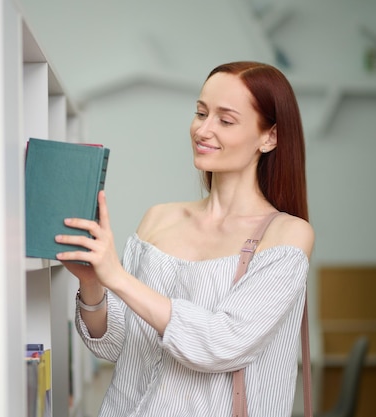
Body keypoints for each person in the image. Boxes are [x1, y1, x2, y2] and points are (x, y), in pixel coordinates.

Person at [54, 61, 315, 417]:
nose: (203, 130)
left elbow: (221, 343)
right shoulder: (159, 218)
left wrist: (117, 276)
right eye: (200, 113)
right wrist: (93, 283)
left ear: (269, 137)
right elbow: (115, 344)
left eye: (225, 120)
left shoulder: (287, 235)